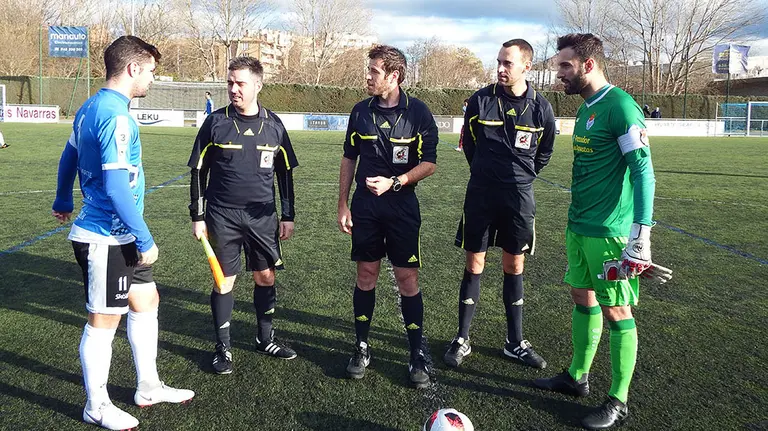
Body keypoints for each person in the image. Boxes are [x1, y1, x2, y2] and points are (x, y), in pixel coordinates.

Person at [51, 36, 194, 431]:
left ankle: (148, 386)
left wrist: (63, 197)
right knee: (104, 320)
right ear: (132, 68)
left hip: (120, 236)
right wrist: (144, 238)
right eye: (150, 71)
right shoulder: (116, 116)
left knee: (146, 301)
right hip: (106, 237)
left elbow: (69, 155)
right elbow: (116, 188)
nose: (152, 78)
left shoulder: (89, 107)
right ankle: (96, 405)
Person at [533, 33, 658, 430]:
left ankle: (618, 400)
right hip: (580, 225)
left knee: (617, 310)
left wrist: (641, 236)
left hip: (611, 232)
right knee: (581, 296)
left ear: (588, 65)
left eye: (565, 66)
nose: (559, 74)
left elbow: (643, 172)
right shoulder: (588, 108)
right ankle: (576, 376)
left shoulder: (620, 106)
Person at [443, 39, 556, 370]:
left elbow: (545, 152)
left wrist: (520, 177)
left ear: (526, 66)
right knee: (475, 262)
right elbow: (469, 145)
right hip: (481, 194)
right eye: (499, 62)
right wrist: (484, 173)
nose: (501, 68)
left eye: (508, 63)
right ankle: (462, 338)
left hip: (518, 198)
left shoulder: (541, 108)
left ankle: (514, 342)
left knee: (514, 265)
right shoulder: (480, 100)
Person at [188, 56, 299, 375]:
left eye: (240, 83)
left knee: (266, 276)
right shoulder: (216, 123)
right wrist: (198, 216)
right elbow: (198, 171)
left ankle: (265, 339)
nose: (233, 89)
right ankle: (222, 347)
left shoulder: (274, 125)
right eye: (230, 83)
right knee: (224, 281)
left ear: (258, 85)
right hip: (222, 216)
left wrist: (288, 215)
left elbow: (285, 173)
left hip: (262, 218)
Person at [337, 44, 438, 388]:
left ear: (393, 76)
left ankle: (416, 353)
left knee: (407, 278)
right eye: (369, 70)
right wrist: (342, 204)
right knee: (366, 274)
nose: (368, 76)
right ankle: (361, 347)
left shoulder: (418, 112)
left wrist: (396, 181)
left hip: (402, 208)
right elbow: (349, 157)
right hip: (365, 208)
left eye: (374, 71)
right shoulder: (360, 111)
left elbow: (430, 163)